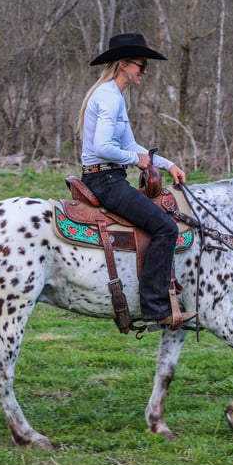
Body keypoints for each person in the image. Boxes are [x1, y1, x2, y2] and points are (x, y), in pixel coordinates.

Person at [78, 32, 196, 329]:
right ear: (124, 65)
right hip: (104, 180)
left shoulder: (114, 96)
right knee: (165, 227)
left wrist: (168, 164)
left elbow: (130, 145)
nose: (145, 71)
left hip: (109, 176)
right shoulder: (108, 97)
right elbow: (104, 147)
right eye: (142, 65)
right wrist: (136, 161)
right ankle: (156, 308)